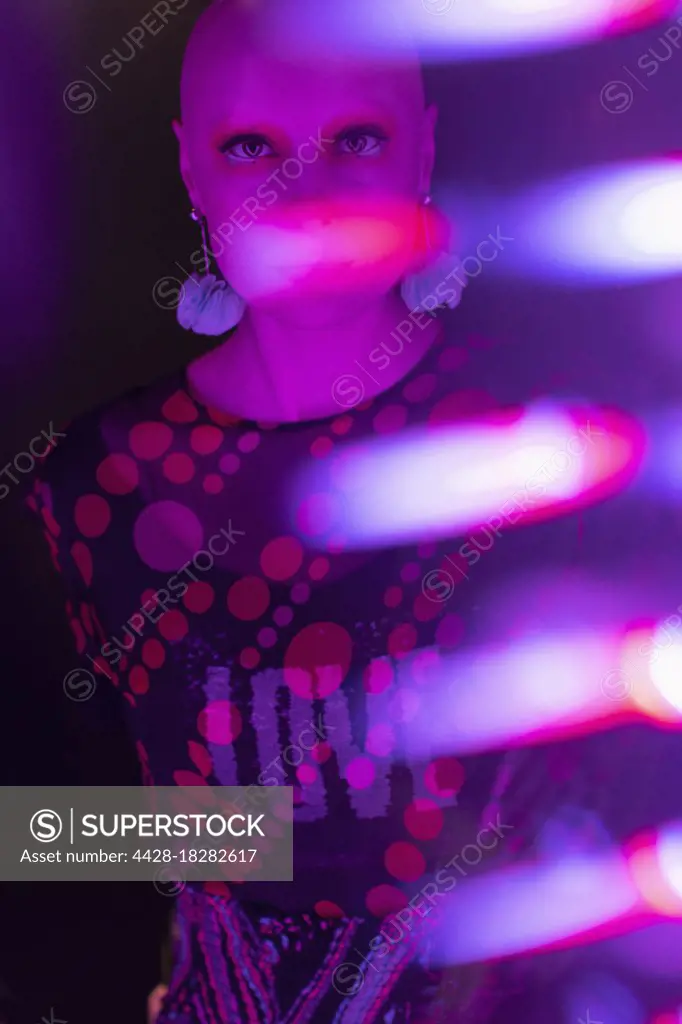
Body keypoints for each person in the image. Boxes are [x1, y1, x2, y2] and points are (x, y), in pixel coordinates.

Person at [28, 1, 613, 1020]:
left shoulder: (561, 446)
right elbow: (44, 832)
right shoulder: (89, 482)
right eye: (252, 147)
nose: (306, 194)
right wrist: (268, 844)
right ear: (190, 168)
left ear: (421, 146)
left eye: (356, 138)